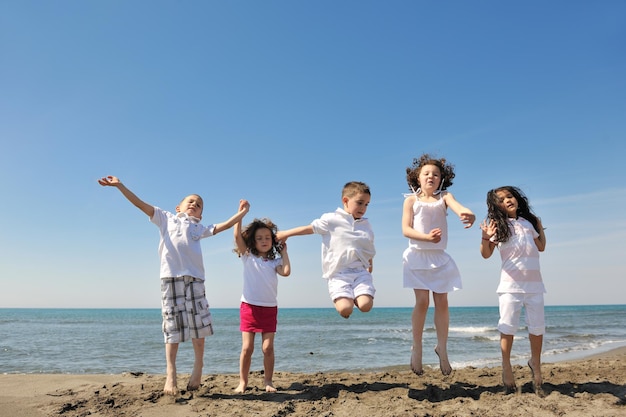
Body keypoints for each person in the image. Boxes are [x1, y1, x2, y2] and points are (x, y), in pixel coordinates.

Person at [98, 175, 250, 395]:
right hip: (170, 278)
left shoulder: (199, 228)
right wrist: (120, 186)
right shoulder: (165, 218)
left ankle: (198, 366)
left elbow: (223, 226)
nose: (194, 205)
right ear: (178, 206)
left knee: (199, 326)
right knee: (172, 327)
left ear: (201, 214)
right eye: (191, 201)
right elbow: (140, 204)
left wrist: (242, 214)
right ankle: (171, 373)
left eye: (199, 205)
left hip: (195, 279)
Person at [402, 154, 475, 376]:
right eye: (426, 174)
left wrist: (468, 214)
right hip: (417, 256)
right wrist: (426, 238)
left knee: (442, 302)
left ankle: (442, 347)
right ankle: (417, 347)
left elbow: (459, 207)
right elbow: (406, 229)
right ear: (418, 178)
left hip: (439, 258)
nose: (431, 176)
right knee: (422, 302)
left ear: (442, 178)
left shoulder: (445, 197)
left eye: (435, 174)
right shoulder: (411, 200)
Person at [480, 185, 546, 394]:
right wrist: (484, 237)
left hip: (535, 285)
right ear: (495, 206)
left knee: (537, 328)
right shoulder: (497, 226)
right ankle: (506, 366)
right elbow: (486, 254)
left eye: (510, 196)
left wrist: (540, 227)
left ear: (517, 198)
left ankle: (535, 363)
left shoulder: (529, 222)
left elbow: (541, 247)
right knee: (507, 327)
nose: (507, 200)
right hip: (510, 286)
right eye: (501, 199)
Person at [276, 181, 375, 319]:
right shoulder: (331, 220)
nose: (363, 208)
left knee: (366, 306)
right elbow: (309, 229)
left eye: (366, 204)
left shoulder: (366, 224)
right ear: (345, 201)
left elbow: (368, 246)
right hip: (338, 273)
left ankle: (355, 297)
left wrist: (370, 264)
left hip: (360, 272)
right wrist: (286, 233)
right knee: (346, 309)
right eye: (360, 203)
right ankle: (345, 303)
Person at [233, 217, 291, 393]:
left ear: (272, 241)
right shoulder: (248, 257)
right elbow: (237, 236)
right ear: (252, 241)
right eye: (259, 238)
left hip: (269, 308)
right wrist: (241, 214)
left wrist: (284, 252)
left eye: (267, 237)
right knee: (247, 347)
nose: (264, 241)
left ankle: (268, 381)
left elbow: (286, 272)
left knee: (267, 348)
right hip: (249, 307)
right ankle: (243, 382)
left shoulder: (274, 262)